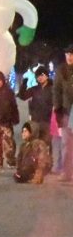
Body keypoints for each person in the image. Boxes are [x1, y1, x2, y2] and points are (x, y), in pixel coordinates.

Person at [18, 65, 53, 168]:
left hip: (47, 120)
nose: (40, 78)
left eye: (42, 75)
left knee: (46, 144)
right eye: (38, 76)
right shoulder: (34, 89)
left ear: (46, 76)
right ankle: (34, 164)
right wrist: (24, 84)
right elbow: (23, 96)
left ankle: (47, 164)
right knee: (35, 143)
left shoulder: (52, 88)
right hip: (35, 120)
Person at [52, 45, 73, 181]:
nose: (70, 57)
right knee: (66, 143)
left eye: (72, 54)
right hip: (66, 110)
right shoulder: (61, 70)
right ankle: (66, 172)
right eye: (67, 54)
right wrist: (57, 107)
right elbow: (56, 90)